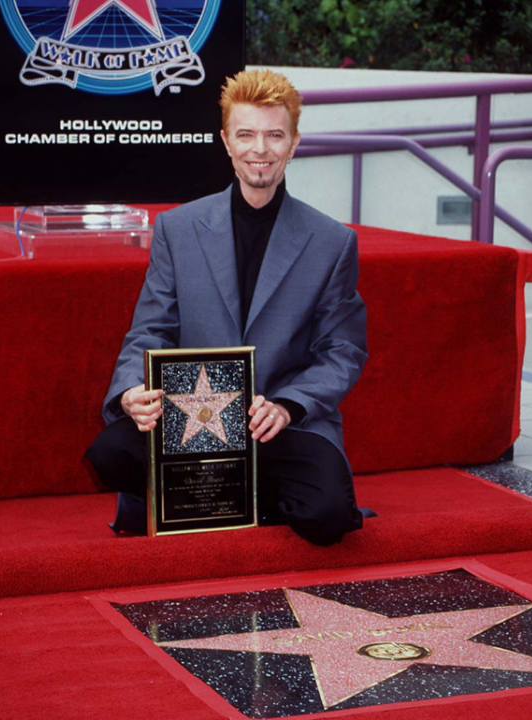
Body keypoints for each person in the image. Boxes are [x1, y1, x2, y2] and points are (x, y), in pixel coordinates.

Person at [86, 70, 368, 546]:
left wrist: (288, 406)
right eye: (246, 134)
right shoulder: (178, 228)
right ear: (226, 141)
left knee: (328, 517)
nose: (260, 149)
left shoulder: (332, 242)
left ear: (294, 143)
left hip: (276, 424)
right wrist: (131, 391)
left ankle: (216, 497)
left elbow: (343, 350)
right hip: (191, 421)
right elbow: (150, 329)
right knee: (107, 455)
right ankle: (238, 497)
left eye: (274, 135)